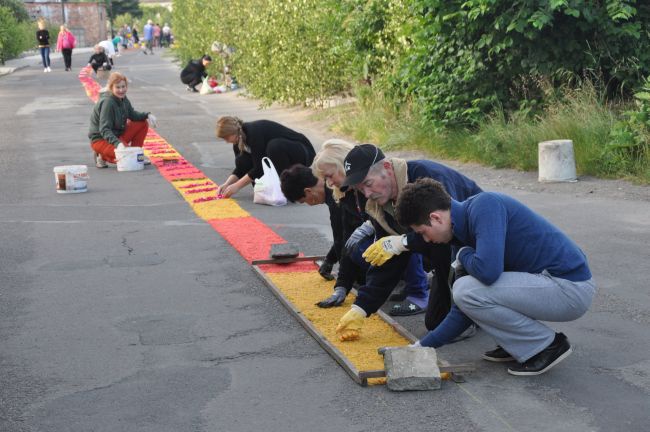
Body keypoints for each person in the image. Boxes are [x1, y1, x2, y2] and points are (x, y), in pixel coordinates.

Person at [391, 178, 596, 375]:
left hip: (569, 288)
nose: (426, 240)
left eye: (423, 232)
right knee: (467, 292)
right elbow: (463, 308)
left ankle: (547, 346)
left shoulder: (485, 206)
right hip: (549, 286)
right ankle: (517, 343)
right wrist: (419, 347)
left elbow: (488, 273)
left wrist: (464, 254)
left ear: (436, 218)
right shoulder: (459, 235)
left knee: (465, 289)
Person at [334, 144, 482, 340]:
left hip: (475, 245)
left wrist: (403, 241)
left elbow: (448, 231)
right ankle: (466, 304)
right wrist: (361, 307)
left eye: (368, 184)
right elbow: (388, 260)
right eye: (360, 189)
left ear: (387, 168)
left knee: (450, 316)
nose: (367, 194)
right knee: (435, 323)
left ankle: (476, 308)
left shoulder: (428, 176)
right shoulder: (379, 205)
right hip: (438, 248)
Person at [215, 117, 316, 198]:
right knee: (241, 160)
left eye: (226, 138)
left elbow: (260, 168)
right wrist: (227, 184)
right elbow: (240, 169)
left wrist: (237, 186)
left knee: (274, 146)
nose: (227, 141)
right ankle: (271, 186)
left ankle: (288, 187)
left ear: (233, 132)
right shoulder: (238, 141)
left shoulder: (253, 132)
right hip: (286, 155)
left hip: (303, 151)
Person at [88, 72, 157, 168]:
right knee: (126, 158)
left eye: (123, 86)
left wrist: (147, 115)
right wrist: (118, 144)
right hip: (101, 139)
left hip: (117, 135)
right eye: (118, 87)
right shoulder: (108, 102)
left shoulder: (123, 98)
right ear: (111, 88)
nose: (121, 90)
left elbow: (132, 115)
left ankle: (134, 153)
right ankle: (101, 155)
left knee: (142, 123)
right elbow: (104, 129)